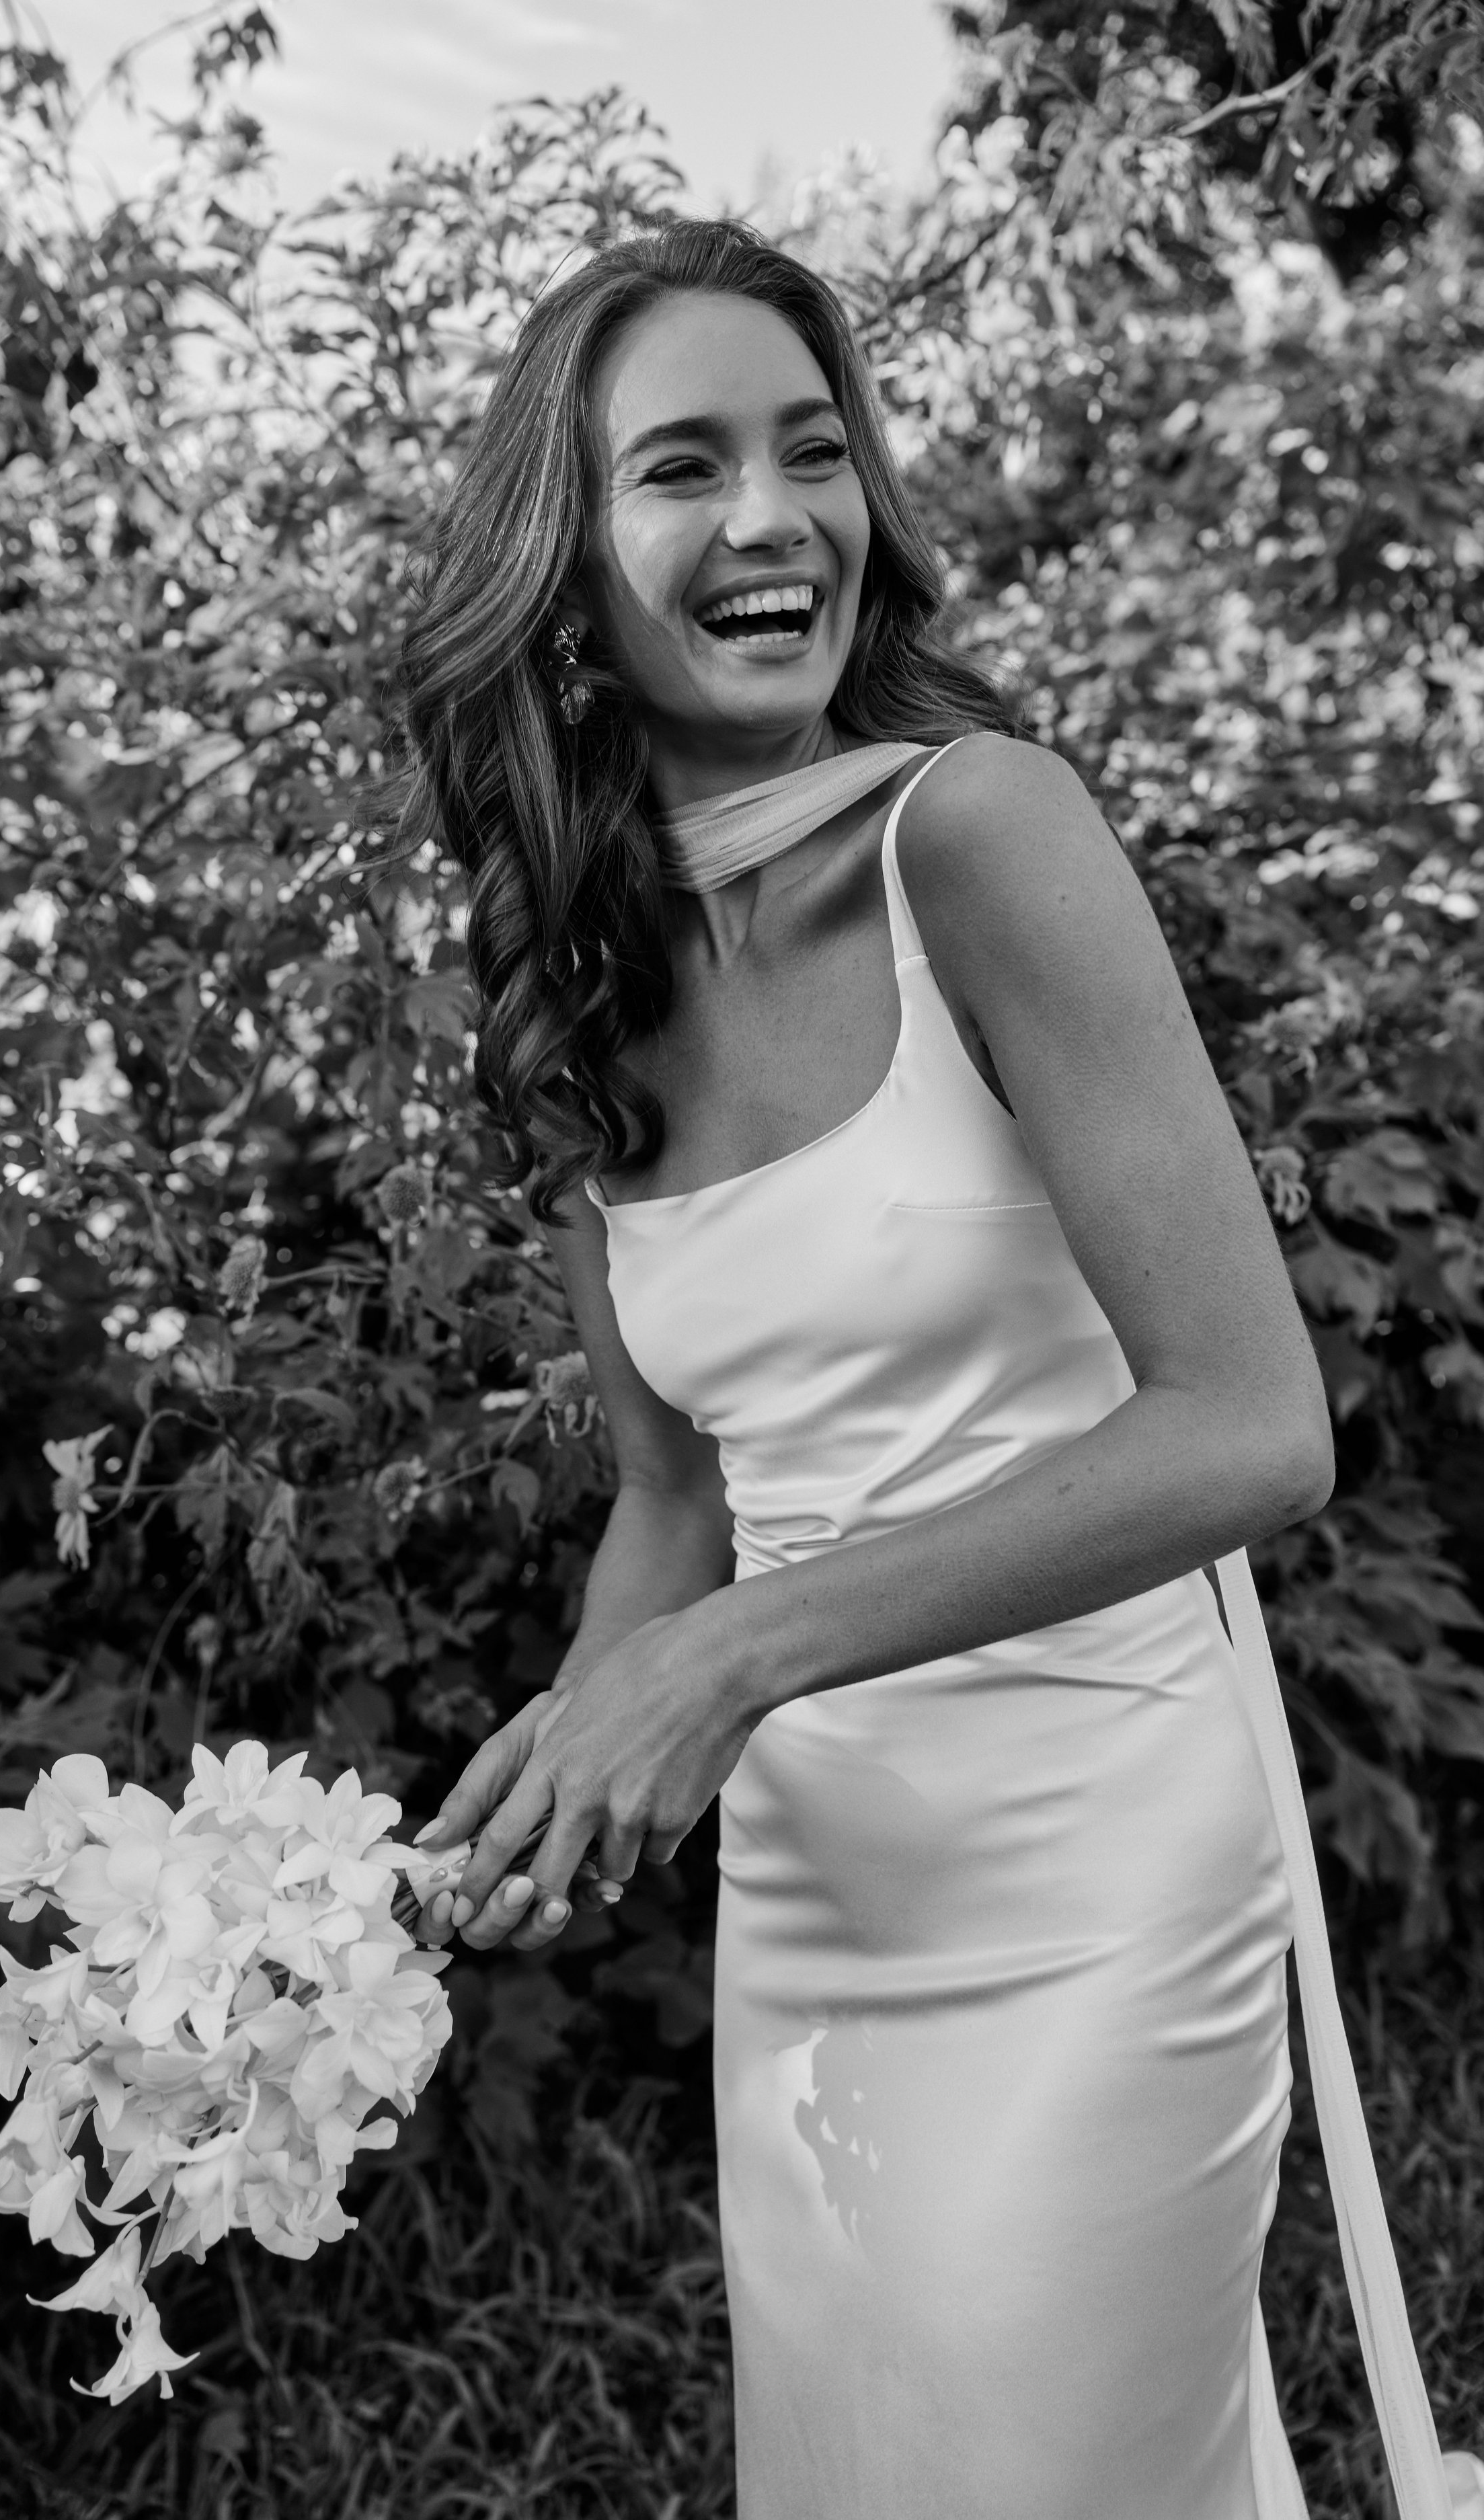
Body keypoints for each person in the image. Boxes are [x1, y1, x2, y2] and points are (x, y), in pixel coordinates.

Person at [394, 219, 1454, 2519]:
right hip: (816, 1885)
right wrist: (555, 1784)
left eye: (812, 453)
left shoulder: (979, 830)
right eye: (681, 467)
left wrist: (729, 1664)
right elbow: (677, 1498)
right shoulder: (586, 976)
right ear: (564, 568)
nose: (774, 517)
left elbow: (1250, 1425)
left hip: (1093, 1858)